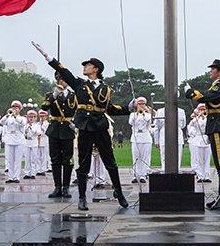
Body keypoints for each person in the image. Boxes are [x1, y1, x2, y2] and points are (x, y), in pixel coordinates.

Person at [46, 54, 132, 211]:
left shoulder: (105, 89)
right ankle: (82, 197)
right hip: (85, 127)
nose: (84, 67)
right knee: (83, 163)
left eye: (88, 65)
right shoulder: (79, 85)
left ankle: (119, 192)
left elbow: (110, 109)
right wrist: (49, 58)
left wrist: (128, 108)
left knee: (110, 162)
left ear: (96, 69)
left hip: (99, 126)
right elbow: (65, 72)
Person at [184, 58, 220, 210]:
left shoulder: (219, 86)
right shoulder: (216, 85)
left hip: (218, 126)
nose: (210, 71)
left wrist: (190, 92)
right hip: (215, 125)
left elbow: (205, 97)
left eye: (213, 69)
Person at [43, 77, 78, 198]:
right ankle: (57, 187)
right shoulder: (51, 94)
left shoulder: (73, 95)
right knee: (55, 159)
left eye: (64, 79)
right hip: (54, 129)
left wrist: (76, 123)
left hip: (67, 129)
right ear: (57, 81)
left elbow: (79, 110)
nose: (63, 82)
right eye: (61, 80)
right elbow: (44, 107)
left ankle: (66, 187)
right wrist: (54, 95)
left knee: (67, 160)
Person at [128, 97, 155, 183]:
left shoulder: (147, 115)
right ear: (137, 105)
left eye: (143, 104)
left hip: (145, 136)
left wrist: (144, 113)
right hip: (136, 136)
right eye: (139, 104)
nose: (141, 106)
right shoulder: (133, 115)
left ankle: (143, 174)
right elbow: (131, 122)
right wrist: (137, 113)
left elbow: (150, 122)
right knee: (136, 156)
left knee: (145, 157)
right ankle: (136, 175)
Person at [1, 101, 27, 183]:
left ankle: (16, 177)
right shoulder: (8, 118)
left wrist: (15, 116)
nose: (14, 109)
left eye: (16, 108)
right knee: (10, 160)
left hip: (19, 139)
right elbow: (1, 122)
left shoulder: (22, 118)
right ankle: (10, 177)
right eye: (13, 108)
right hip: (10, 139)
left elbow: (22, 124)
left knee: (17, 160)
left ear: (19, 109)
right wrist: (7, 115)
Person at [187, 105, 212, 183]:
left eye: (204, 109)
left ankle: (207, 175)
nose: (202, 111)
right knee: (199, 159)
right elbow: (190, 127)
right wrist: (197, 117)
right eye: (201, 109)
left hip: (207, 138)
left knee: (207, 159)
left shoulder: (209, 119)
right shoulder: (195, 120)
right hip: (198, 138)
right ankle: (200, 175)